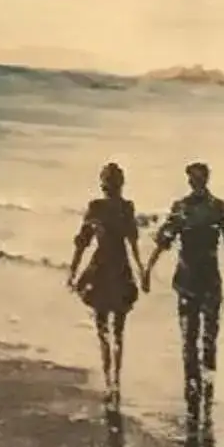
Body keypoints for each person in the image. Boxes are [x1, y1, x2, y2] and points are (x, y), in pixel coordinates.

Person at [145, 161, 224, 413]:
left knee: (207, 335)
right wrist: (148, 268)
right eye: (194, 179)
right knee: (191, 336)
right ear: (190, 181)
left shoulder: (216, 207)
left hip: (207, 279)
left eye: (199, 178)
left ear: (205, 180)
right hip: (189, 279)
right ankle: (194, 385)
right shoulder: (183, 208)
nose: (196, 182)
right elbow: (165, 240)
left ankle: (206, 385)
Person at [66, 162, 149, 406]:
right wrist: (142, 271)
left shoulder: (99, 207)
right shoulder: (124, 207)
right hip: (118, 269)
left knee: (104, 331)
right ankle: (115, 382)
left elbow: (82, 243)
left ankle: (110, 383)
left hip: (103, 269)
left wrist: (72, 272)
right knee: (117, 332)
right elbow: (132, 243)